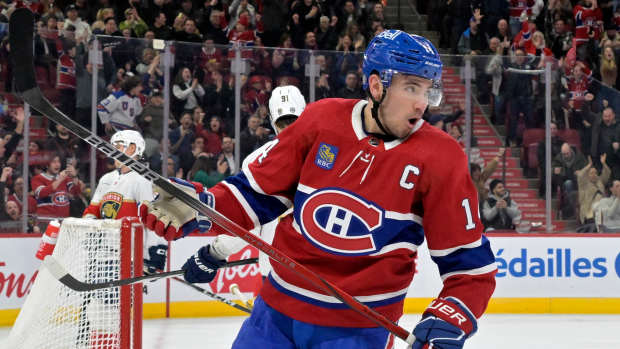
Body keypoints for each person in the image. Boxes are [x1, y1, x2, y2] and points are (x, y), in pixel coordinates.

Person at [140, 30, 496, 348]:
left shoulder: (441, 157)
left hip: (360, 328)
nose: (423, 103)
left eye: (428, 89)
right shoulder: (320, 120)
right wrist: (203, 207)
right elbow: (256, 196)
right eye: (412, 87)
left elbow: (468, 266)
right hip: (275, 314)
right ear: (377, 86)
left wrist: (453, 314)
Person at [83, 130, 167, 274]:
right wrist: (90, 232)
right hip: (104, 254)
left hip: (130, 256)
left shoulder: (142, 180)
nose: (112, 152)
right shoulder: (106, 179)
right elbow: (92, 212)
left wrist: (155, 254)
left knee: (123, 296)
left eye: (117, 146)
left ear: (132, 148)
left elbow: (152, 219)